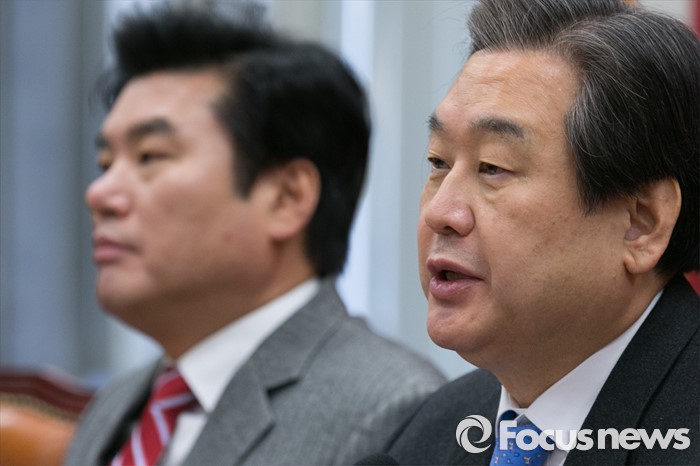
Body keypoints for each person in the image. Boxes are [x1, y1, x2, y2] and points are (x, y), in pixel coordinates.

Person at [65, 4, 444, 466]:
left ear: (286, 198)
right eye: (106, 164)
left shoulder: (391, 412)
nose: (99, 193)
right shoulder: (116, 404)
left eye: (150, 156)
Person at [378, 0, 700, 465]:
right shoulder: (435, 430)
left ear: (642, 223)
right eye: (438, 162)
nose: (441, 213)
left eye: (493, 167)